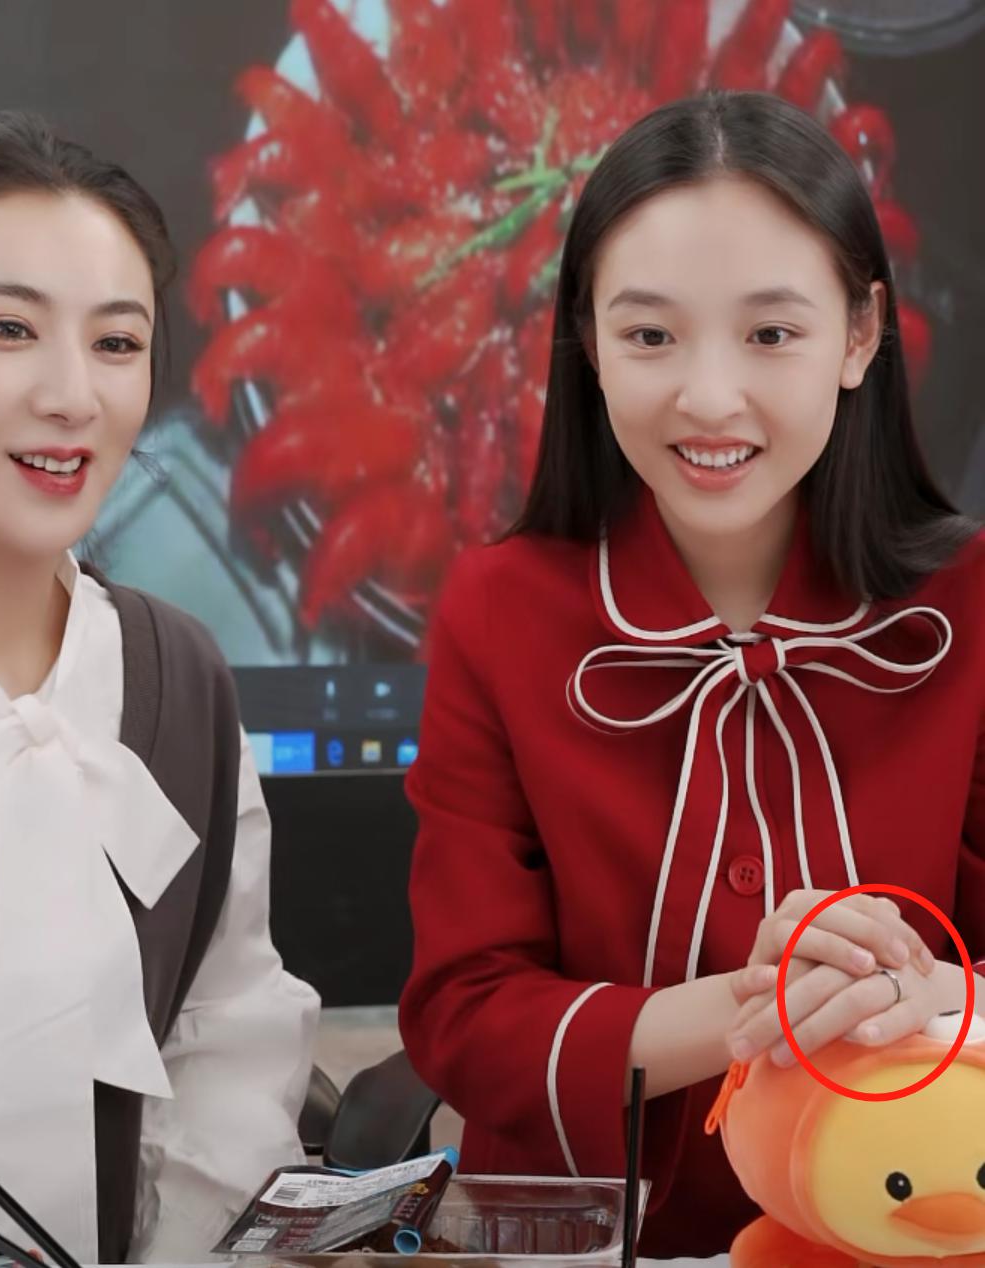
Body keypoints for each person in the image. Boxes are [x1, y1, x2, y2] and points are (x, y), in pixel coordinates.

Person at [399, 91, 985, 1259]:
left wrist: (925, 996)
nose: (709, 397)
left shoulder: (967, 602)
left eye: (771, 334)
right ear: (589, 341)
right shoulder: (497, 610)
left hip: (908, 1226)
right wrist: (750, 1008)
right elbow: (464, 1012)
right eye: (651, 336)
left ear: (860, 335)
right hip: (580, 1240)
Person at [0, 112, 319, 1263]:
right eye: (6, 328)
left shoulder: (178, 675)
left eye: (118, 342)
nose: (72, 395)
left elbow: (226, 1038)